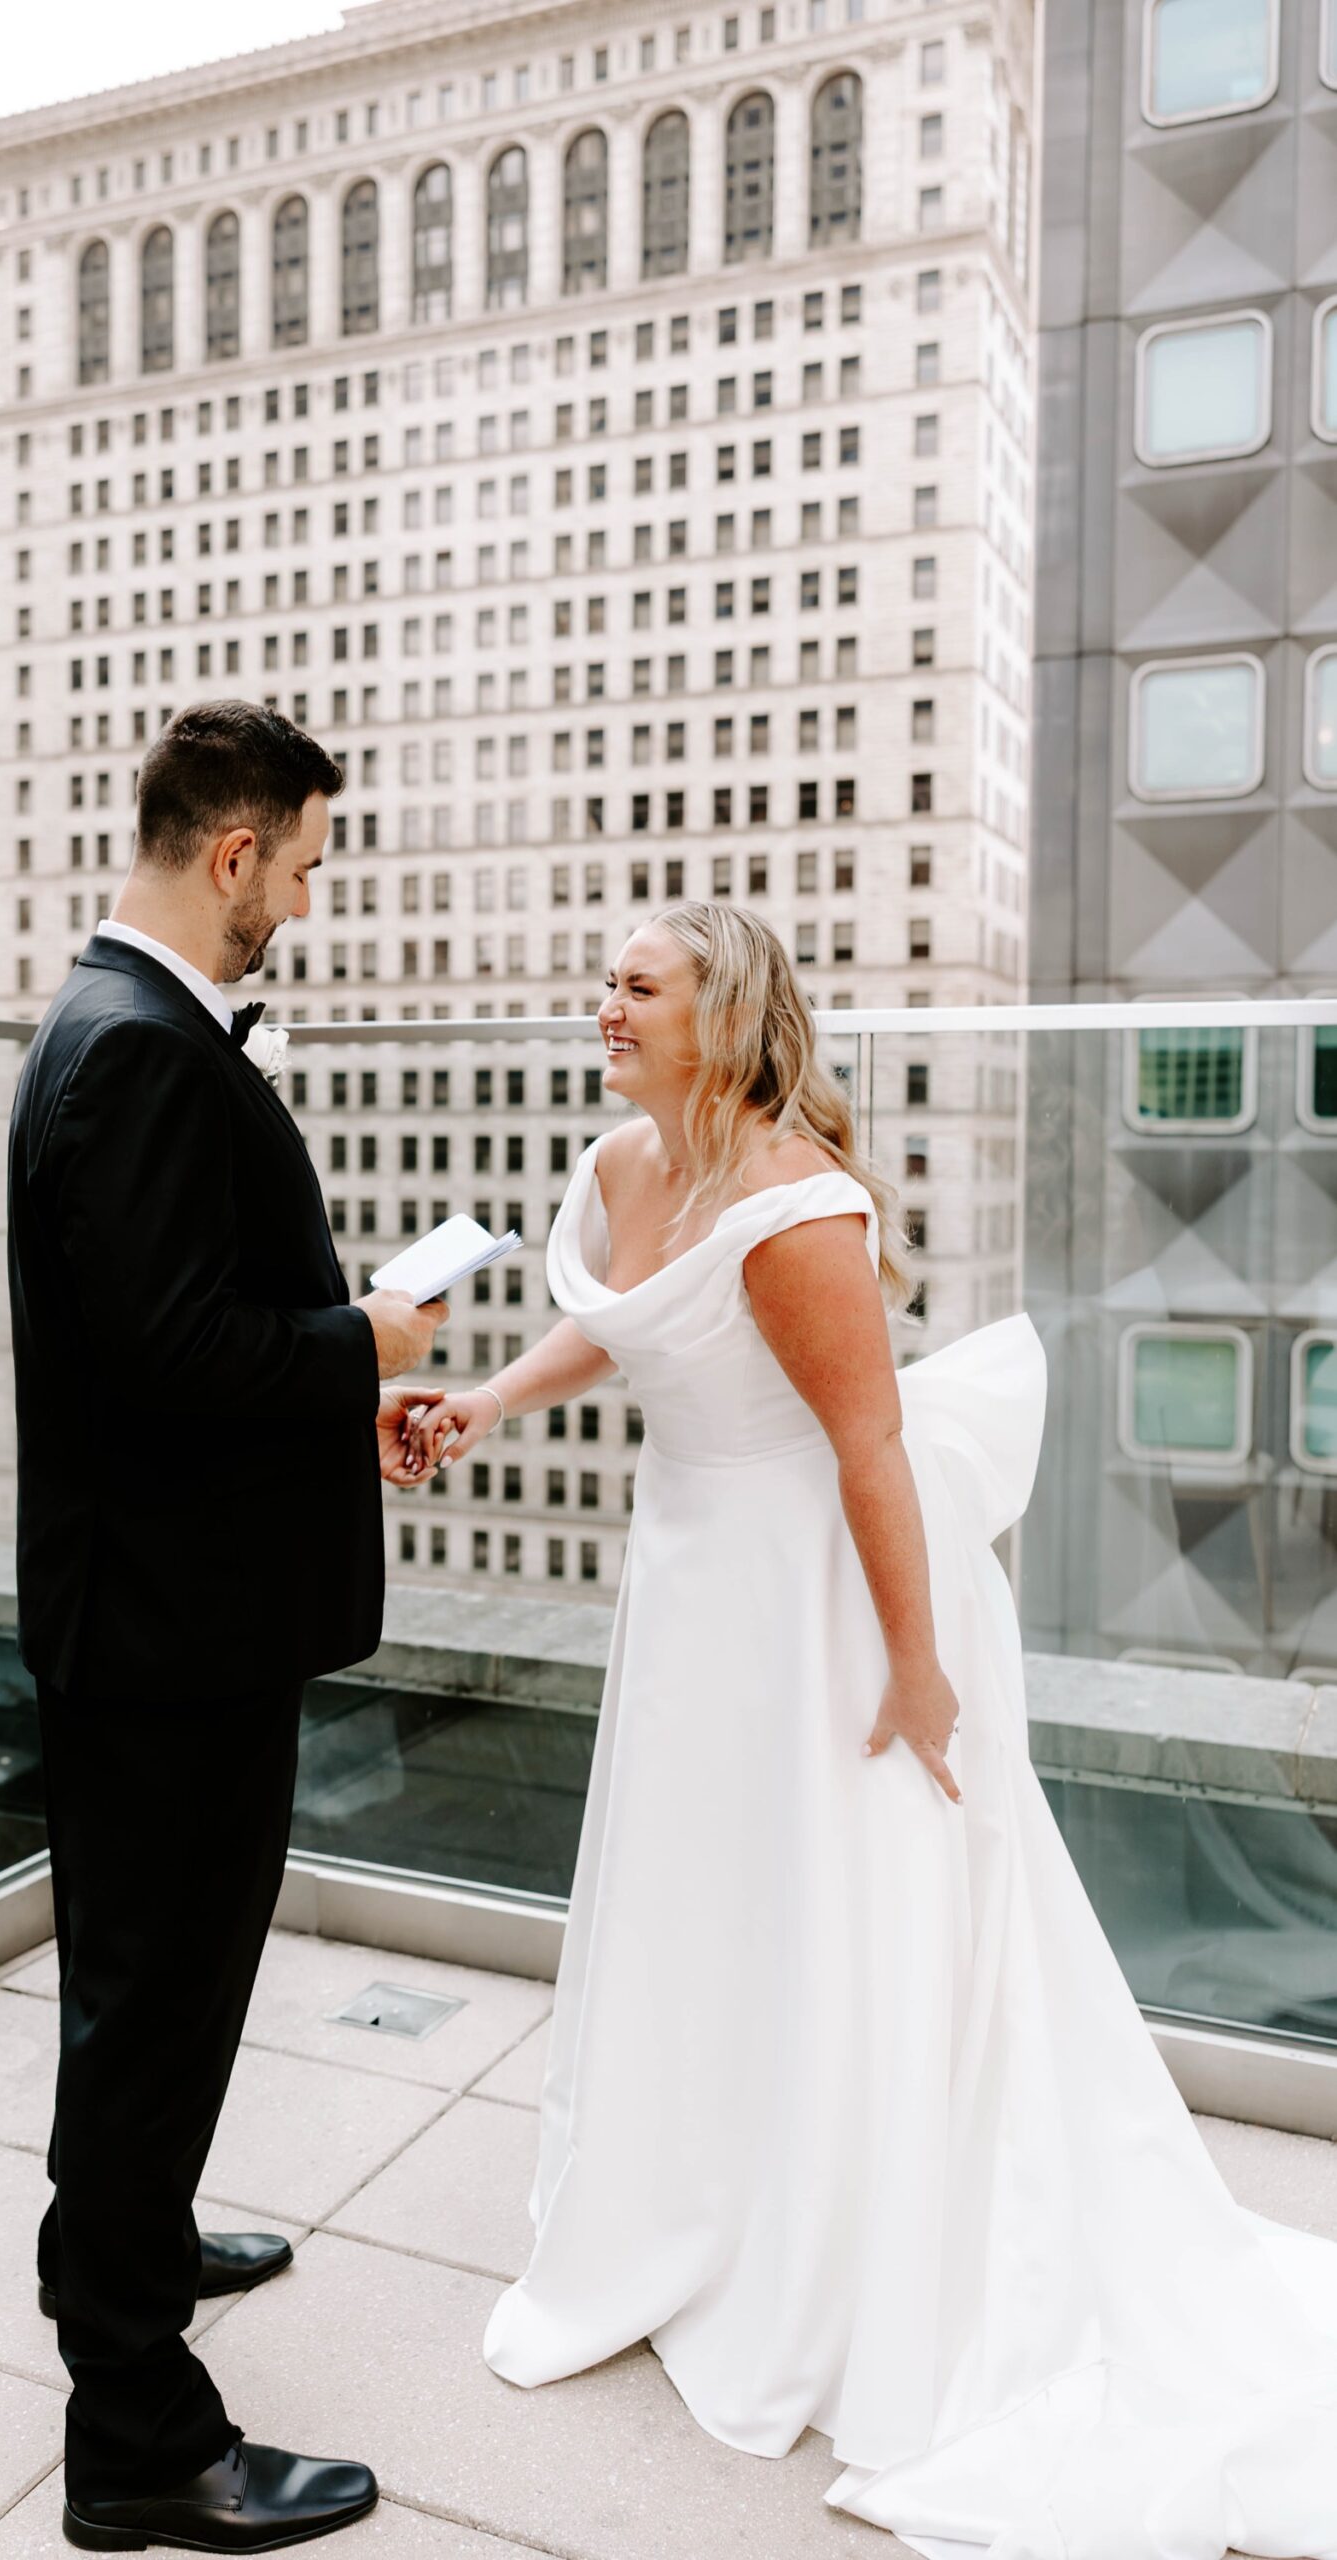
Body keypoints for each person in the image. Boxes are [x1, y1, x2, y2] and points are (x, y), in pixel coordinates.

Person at [401, 903, 1337, 2560]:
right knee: (708, 1897)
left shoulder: (799, 1209)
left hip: (815, 1594)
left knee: (840, 1899)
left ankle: (835, 2234)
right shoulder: (625, 1166)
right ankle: (710, 2194)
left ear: (724, 1014)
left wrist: (917, 1669)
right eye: (608, 980)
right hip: (690, 1583)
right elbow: (615, 1325)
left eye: (639, 985)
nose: (604, 1001)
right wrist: (481, 1405)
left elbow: (873, 1451)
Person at [7, 700, 446, 2553]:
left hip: (172, 1613)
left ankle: (146, 2239)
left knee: (163, 1990)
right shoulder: (139, 1055)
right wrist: (374, 1343)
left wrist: (331, 1368)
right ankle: (138, 2436)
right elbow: (175, 1358)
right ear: (235, 850)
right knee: (153, 2004)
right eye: (307, 867)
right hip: (166, 1636)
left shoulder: (124, 1036)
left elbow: (156, 1339)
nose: (306, 906)